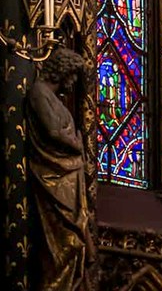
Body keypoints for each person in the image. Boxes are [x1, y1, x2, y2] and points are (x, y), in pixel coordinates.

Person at [26, 48, 94, 291]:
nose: (74, 82)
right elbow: (54, 132)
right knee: (64, 242)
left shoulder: (54, 100)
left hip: (68, 177)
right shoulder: (39, 93)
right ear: (62, 70)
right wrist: (75, 140)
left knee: (74, 242)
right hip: (52, 177)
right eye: (73, 75)